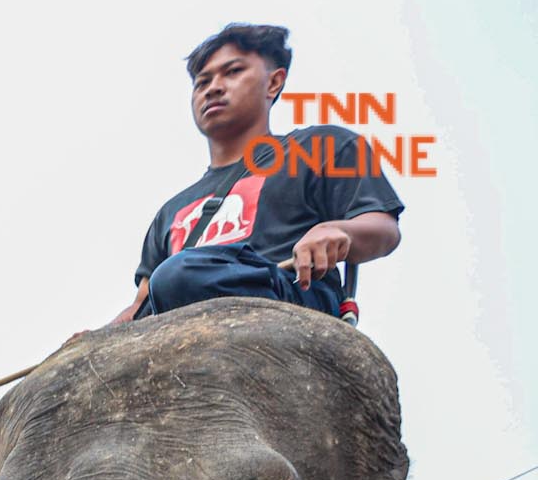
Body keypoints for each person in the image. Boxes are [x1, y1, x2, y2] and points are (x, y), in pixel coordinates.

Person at [110, 24, 403, 325]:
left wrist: (337, 231)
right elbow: (142, 305)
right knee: (171, 281)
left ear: (274, 83)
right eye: (202, 82)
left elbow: (384, 229)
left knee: (178, 274)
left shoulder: (321, 148)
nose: (213, 87)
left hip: (288, 297)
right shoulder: (171, 211)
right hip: (180, 312)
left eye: (233, 72)